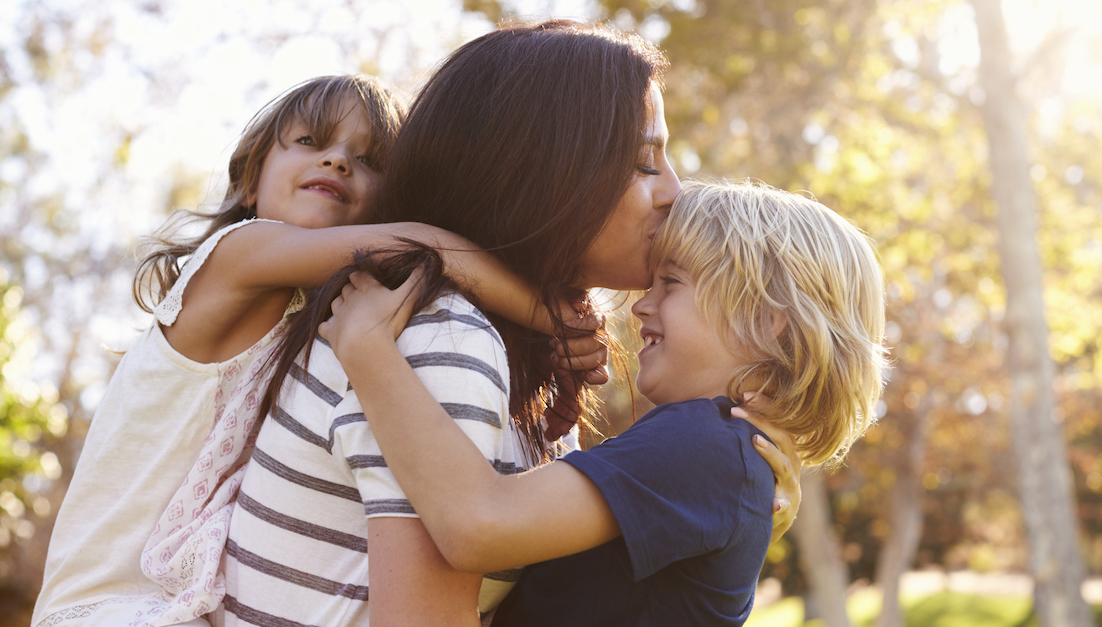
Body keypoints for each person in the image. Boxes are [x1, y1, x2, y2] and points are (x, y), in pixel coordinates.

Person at [215, 22, 803, 627]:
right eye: (642, 161)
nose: (674, 191)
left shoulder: (505, 352)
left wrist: (724, 502)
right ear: (539, 173)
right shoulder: (442, 343)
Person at [32, 74, 589, 627]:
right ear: (252, 180)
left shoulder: (317, 320)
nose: (338, 162)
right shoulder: (235, 254)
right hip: (109, 604)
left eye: (368, 160)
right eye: (310, 142)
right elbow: (426, 249)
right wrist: (554, 320)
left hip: (186, 603)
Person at [320, 179, 888, 626]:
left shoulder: (705, 443)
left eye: (671, 283)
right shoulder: (723, 455)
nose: (641, 306)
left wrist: (367, 349)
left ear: (766, 323)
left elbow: (479, 523)